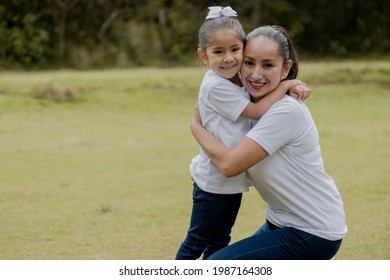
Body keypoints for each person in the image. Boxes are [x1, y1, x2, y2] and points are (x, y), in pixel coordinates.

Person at [190, 25, 347, 260]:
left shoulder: (286, 111)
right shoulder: (245, 105)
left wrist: (194, 126)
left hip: (313, 231)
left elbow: (230, 166)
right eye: (249, 63)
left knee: (216, 266)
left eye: (268, 65)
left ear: (286, 69)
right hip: (278, 222)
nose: (256, 74)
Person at [176, 7, 310, 260]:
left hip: (232, 183)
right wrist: (287, 84)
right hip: (213, 182)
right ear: (203, 56)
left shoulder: (238, 77)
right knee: (196, 241)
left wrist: (286, 84)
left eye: (235, 50)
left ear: (244, 49)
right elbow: (257, 110)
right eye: (218, 52)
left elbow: (261, 86)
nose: (228, 59)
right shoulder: (216, 85)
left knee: (220, 238)